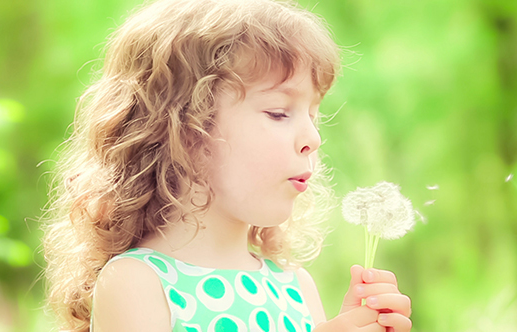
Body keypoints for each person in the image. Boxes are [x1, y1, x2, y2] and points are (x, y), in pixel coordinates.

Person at [41, 0, 413, 331]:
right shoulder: (137, 283)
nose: (313, 138)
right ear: (185, 130)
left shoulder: (296, 286)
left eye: (314, 116)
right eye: (279, 112)